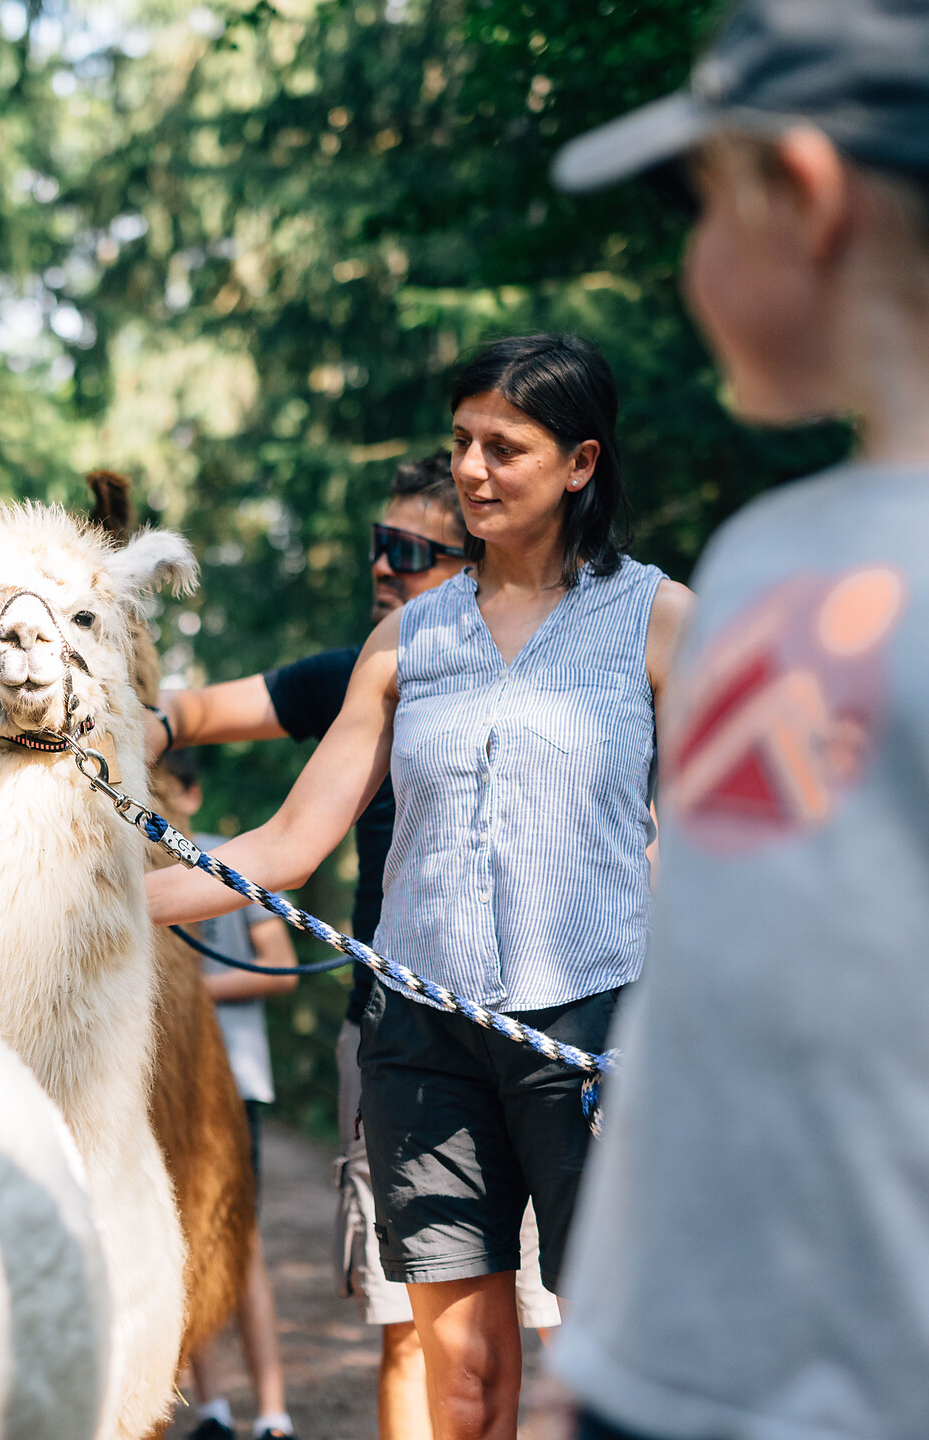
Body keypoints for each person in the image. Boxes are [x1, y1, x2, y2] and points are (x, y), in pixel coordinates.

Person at [147, 332, 694, 1440]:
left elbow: (718, 831)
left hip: (590, 1033)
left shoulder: (659, 619)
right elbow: (286, 846)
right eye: (462, 442)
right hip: (423, 1042)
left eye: (506, 447)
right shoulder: (406, 641)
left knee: (607, 1370)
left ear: (581, 463)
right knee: (465, 1385)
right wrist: (96, 904)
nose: (472, 470)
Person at [544, 4, 929, 1437]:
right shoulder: (765, 558)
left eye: (702, 202)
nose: (688, 252)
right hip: (660, 1373)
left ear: (805, 196)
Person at [151, 453, 561, 1440]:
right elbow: (209, 730)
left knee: (565, 1326)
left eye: (410, 550)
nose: (382, 564)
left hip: (551, 1030)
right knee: (414, 1333)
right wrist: (136, 726)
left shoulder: (570, 664)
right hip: (399, 1040)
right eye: (380, 543)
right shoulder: (358, 673)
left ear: (478, 558)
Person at [160, 746, 301, 1440]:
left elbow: (282, 968)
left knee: (240, 1247)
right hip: (167, 1084)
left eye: (166, 788)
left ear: (190, 794)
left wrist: (190, 994)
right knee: (179, 1241)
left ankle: (273, 1414)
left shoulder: (231, 859)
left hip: (232, 1080)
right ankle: (210, 1408)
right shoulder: (139, 868)